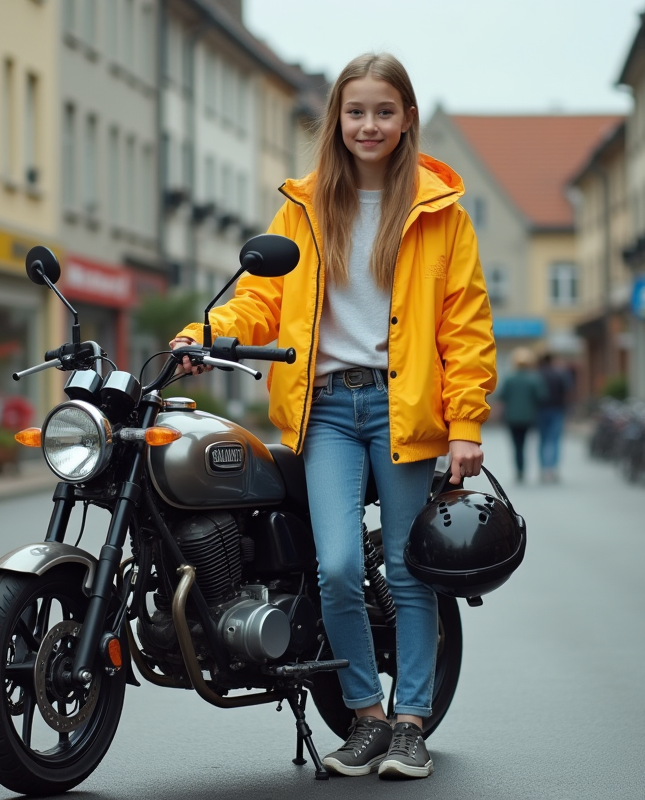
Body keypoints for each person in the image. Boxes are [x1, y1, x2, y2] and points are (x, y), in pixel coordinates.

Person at [169, 53, 497, 780]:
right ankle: (366, 717)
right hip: (327, 409)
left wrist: (466, 423)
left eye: (384, 111)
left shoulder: (440, 211)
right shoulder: (306, 205)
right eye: (356, 112)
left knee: (411, 574)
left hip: (402, 406)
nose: (369, 125)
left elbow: (464, 324)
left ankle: (412, 722)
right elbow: (261, 295)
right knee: (338, 567)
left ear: (407, 118)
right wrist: (203, 332)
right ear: (337, 120)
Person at [496, 348, 545, 483]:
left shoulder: (509, 378)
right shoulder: (533, 379)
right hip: (528, 417)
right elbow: (541, 396)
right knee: (525, 443)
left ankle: (519, 470)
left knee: (516, 445)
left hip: (512, 417)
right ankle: (524, 468)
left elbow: (502, 396)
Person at [536, 352, 573, 483]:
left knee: (542, 440)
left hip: (540, 411)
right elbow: (568, 391)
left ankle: (543, 468)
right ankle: (553, 469)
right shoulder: (560, 374)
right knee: (555, 440)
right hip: (557, 409)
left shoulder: (537, 374)